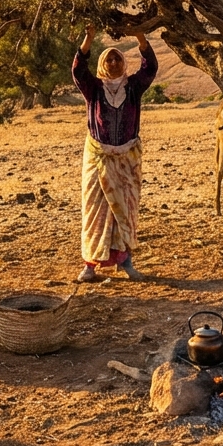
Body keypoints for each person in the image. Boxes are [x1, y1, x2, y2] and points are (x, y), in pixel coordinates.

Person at [71, 26, 158, 283]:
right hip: (98, 160)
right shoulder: (93, 88)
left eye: (117, 58)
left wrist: (140, 36)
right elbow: (78, 71)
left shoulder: (133, 87)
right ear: (102, 63)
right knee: (95, 213)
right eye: (108, 58)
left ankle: (125, 262)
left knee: (125, 212)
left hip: (127, 159)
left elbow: (150, 68)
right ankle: (90, 265)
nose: (113, 62)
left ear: (124, 63)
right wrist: (88, 38)